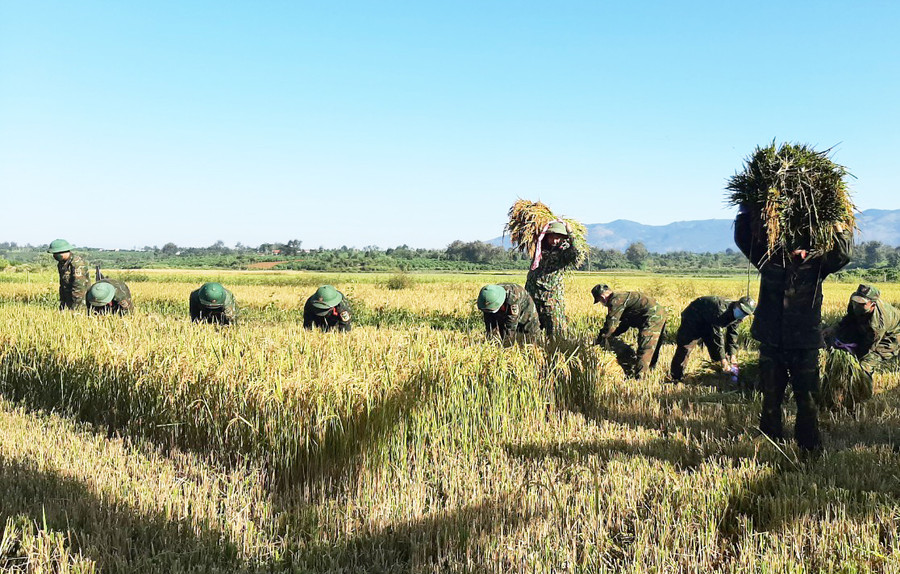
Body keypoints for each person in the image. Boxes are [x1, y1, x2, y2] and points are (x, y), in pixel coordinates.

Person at [734, 207, 851, 453]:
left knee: (808, 399)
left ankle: (809, 446)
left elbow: (843, 255)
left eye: (803, 244)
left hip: (804, 343)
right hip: (772, 341)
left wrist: (839, 226)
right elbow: (743, 240)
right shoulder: (769, 261)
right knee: (770, 397)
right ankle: (770, 442)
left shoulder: (817, 265)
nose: (797, 249)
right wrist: (745, 212)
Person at [669, 295, 756, 382]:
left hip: (709, 322)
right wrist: (723, 360)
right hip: (693, 317)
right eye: (742, 311)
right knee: (685, 347)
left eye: (745, 314)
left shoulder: (738, 317)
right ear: (737, 305)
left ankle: (719, 378)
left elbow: (732, 334)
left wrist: (732, 355)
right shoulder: (721, 310)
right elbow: (717, 337)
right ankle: (676, 378)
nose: (742, 314)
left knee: (716, 353)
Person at [592, 284, 667, 378]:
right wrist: (614, 334)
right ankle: (650, 371)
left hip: (652, 316)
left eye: (600, 301)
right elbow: (625, 324)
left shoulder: (615, 300)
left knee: (646, 347)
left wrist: (602, 338)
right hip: (659, 313)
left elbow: (610, 324)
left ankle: (640, 377)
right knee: (652, 346)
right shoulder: (622, 297)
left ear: (602, 297)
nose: (602, 304)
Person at [826, 284, 900, 379]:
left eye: (862, 303)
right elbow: (849, 319)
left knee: (864, 365)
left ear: (872, 305)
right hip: (865, 325)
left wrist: (854, 357)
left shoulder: (878, 323)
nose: (857, 305)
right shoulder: (855, 302)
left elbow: (869, 347)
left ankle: (863, 389)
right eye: (856, 301)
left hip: (890, 335)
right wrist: (834, 328)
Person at [524, 221, 580, 337]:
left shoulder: (564, 252)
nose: (555, 241)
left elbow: (576, 255)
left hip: (551, 298)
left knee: (556, 331)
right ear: (546, 236)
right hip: (532, 294)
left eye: (558, 238)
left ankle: (554, 351)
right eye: (552, 237)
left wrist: (571, 233)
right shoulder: (538, 248)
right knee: (531, 329)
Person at [47, 238, 91, 310]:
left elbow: (79, 287)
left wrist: (76, 306)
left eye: (56, 253)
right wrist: (63, 302)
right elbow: (62, 283)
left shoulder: (77, 263)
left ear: (62, 251)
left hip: (80, 300)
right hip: (68, 298)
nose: (54, 256)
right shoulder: (61, 264)